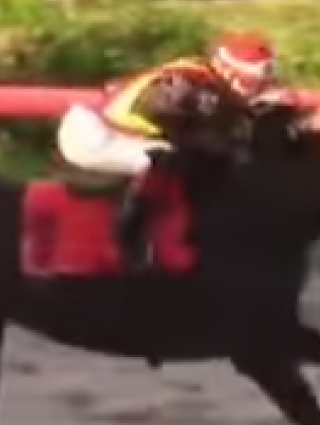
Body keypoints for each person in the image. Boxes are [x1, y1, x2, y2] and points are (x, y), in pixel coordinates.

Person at [55, 31, 284, 271]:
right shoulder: (191, 82)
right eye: (255, 82)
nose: (261, 88)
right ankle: (131, 240)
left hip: (107, 130)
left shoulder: (208, 83)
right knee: (179, 161)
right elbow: (161, 107)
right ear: (229, 71)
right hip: (95, 135)